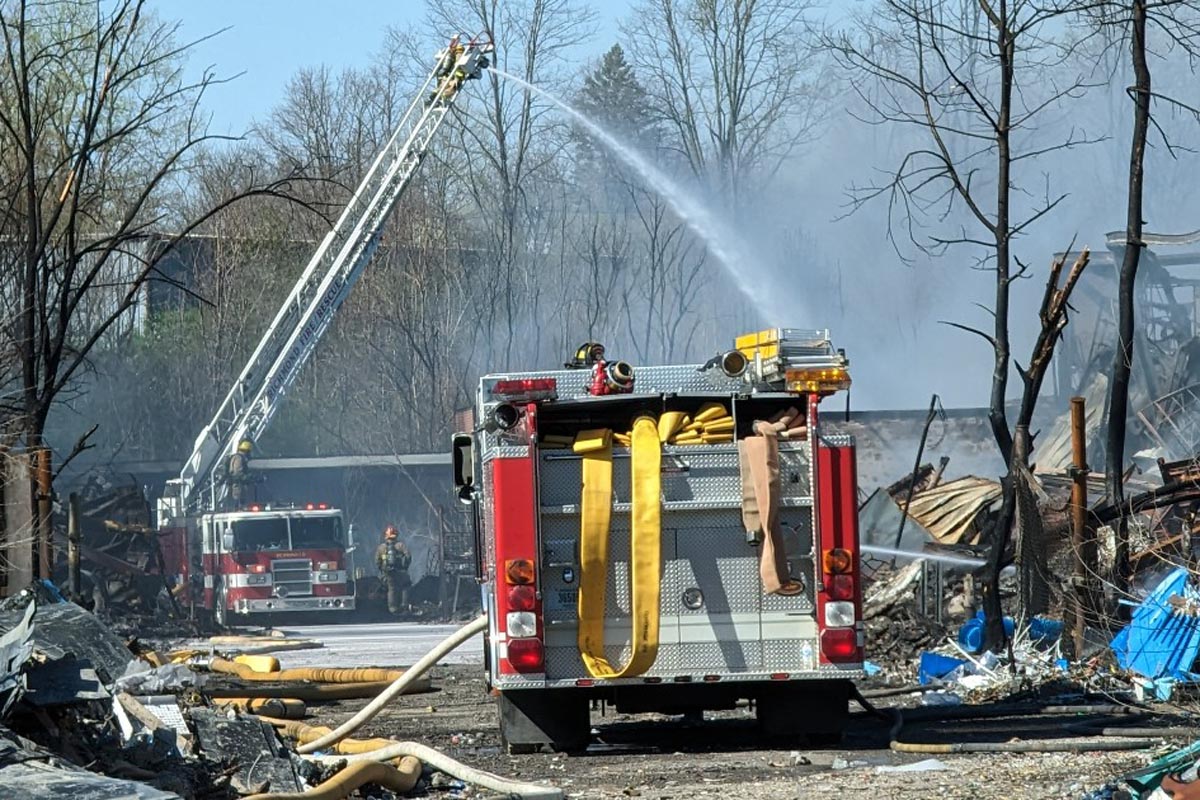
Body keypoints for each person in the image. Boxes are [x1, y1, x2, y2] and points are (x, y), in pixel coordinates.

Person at [375, 525, 412, 614]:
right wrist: (405, 567)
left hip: (388, 573)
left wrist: (382, 570)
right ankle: (404, 606)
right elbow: (408, 556)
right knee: (406, 585)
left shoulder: (381, 547)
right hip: (400, 571)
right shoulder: (400, 545)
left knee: (391, 589)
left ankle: (392, 609)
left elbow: (377, 561)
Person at [226, 438, 254, 508]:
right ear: (247, 451)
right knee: (238, 501)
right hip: (238, 485)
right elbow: (237, 473)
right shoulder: (239, 458)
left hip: (237, 485)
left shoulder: (237, 457)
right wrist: (248, 477)